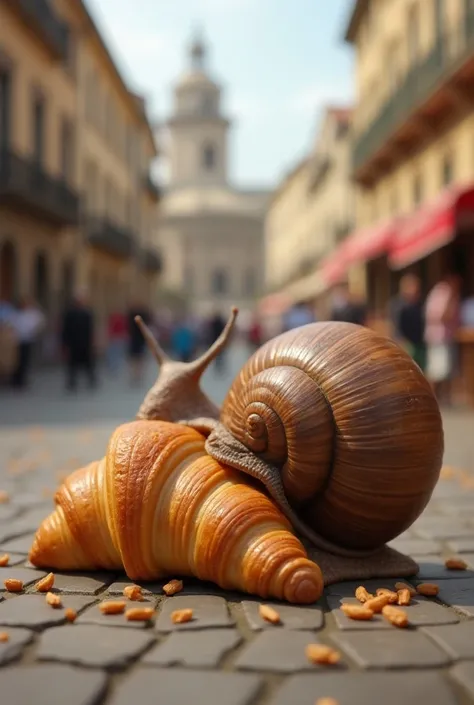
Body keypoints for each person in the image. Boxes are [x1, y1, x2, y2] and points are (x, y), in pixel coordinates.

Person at [424, 273, 461, 405]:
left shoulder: (441, 292)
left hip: (447, 337)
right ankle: (431, 397)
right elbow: (441, 316)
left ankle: (444, 398)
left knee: (447, 371)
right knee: (437, 370)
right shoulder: (444, 293)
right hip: (439, 337)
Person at [61, 290, 96, 392]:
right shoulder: (70, 313)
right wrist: (65, 342)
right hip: (73, 343)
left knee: (89, 363)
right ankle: (72, 382)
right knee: (72, 364)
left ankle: (92, 380)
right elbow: (65, 329)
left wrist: (92, 341)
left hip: (85, 342)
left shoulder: (87, 313)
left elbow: (90, 329)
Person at [389, 274, 426, 371]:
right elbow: (395, 326)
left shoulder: (419, 305)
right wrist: (402, 342)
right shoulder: (397, 305)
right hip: (404, 344)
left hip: (419, 343)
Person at [10, 297, 45, 389]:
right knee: (16, 361)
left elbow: (40, 320)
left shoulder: (31, 314)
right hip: (16, 341)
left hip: (27, 340)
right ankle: (16, 379)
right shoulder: (16, 314)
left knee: (25, 360)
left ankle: (22, 379)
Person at [127, 301, 151, 385]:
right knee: (140, 359)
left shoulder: (131, 318)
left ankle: (135, 376)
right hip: (140, 340)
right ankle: (138, 375)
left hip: (134, 340)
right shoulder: (143, 320)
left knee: (134, 359)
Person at [106, 310, 127, 376]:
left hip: (116, 338)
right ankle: (115, 368)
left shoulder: (116, 320)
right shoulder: (120, 320)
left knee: (114, 354)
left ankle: (114, 368)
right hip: (118, 338)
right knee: (116, 354)